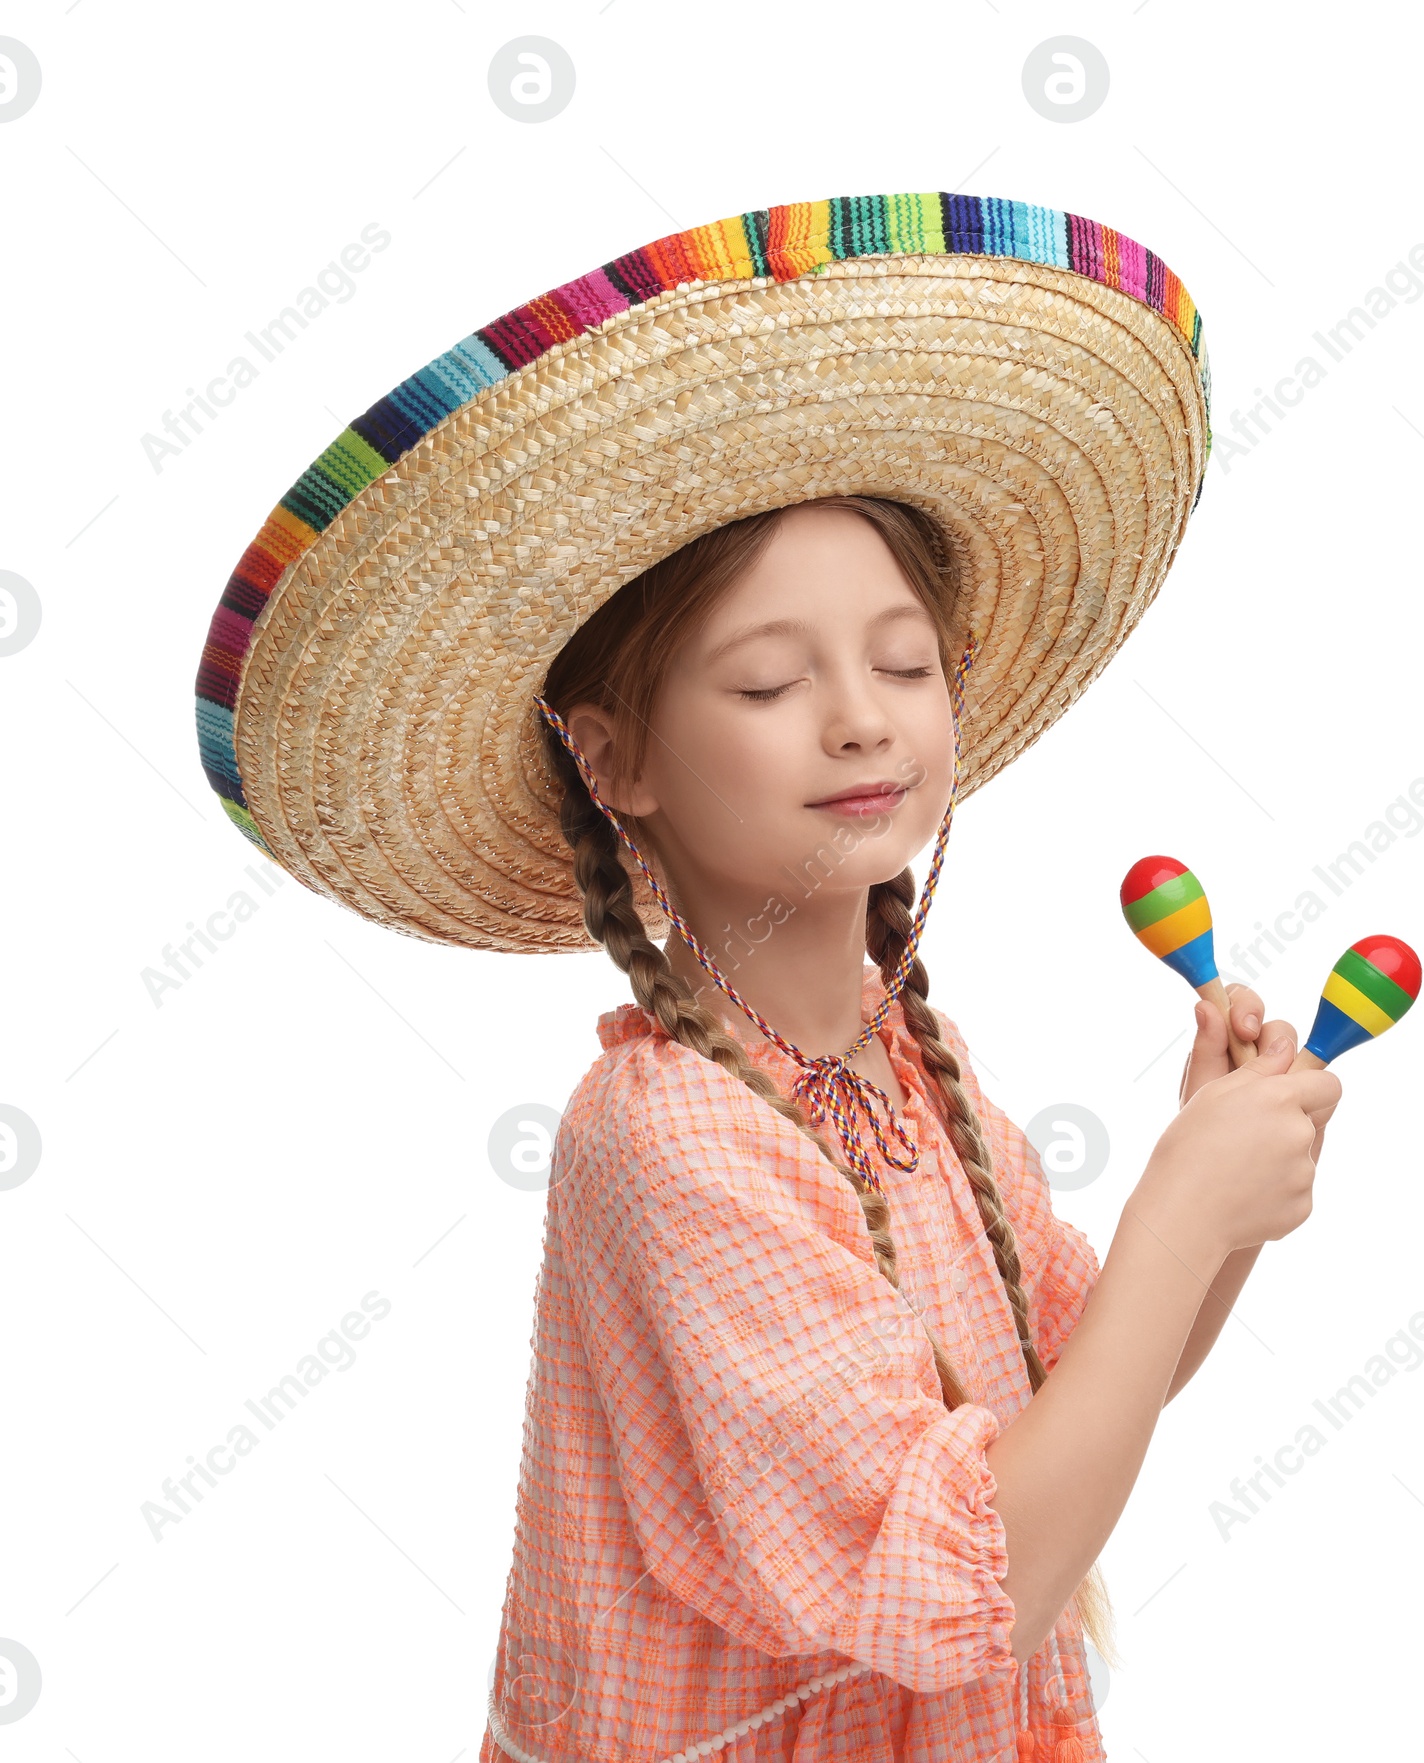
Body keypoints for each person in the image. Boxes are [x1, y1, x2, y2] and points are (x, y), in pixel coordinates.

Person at [191, 191, 1338, 1761]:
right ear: (614, 760)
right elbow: (981, 1577)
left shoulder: (899, 1061)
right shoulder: (669, 1144)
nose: (864, 718)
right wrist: (1188, 1212)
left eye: (906, 661)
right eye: (770, 680)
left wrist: (1221, 1192)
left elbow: (1078, 1386)